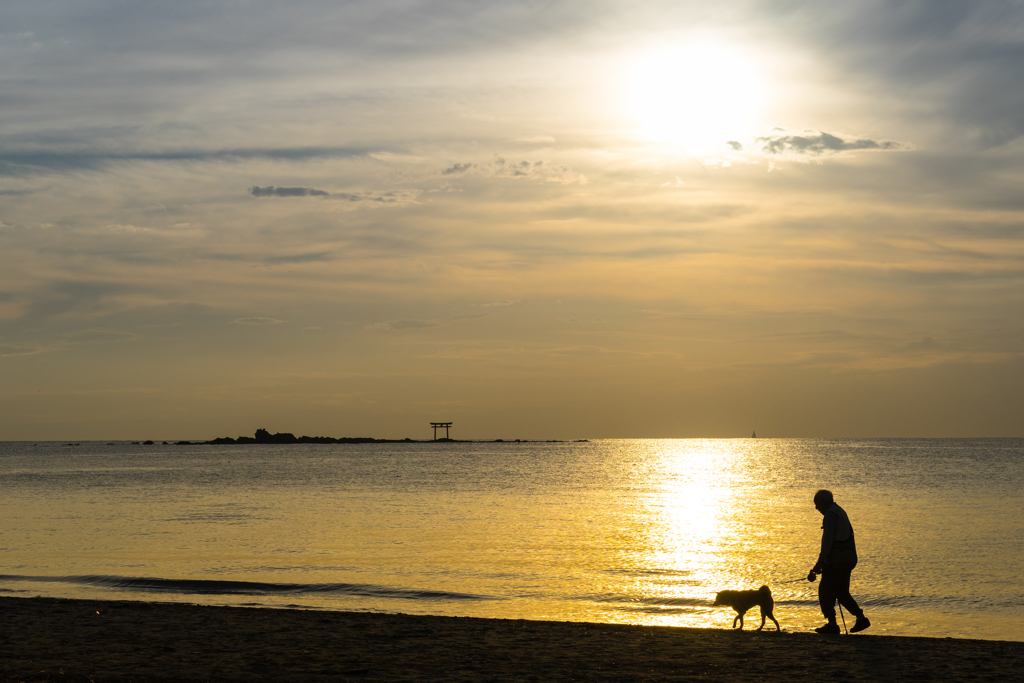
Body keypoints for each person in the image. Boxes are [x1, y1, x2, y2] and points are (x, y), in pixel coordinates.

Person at [808, 489, 870, 634]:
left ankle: (832, 623)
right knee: (841, 593)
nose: (816, 508)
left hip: (837, 560)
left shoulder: (831, 515)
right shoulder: (839, 511)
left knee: (825, 590)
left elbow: (828, 541)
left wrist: (821, 562)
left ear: (823, 502)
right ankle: (861, 618)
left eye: (817, 504)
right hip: (847, 558)